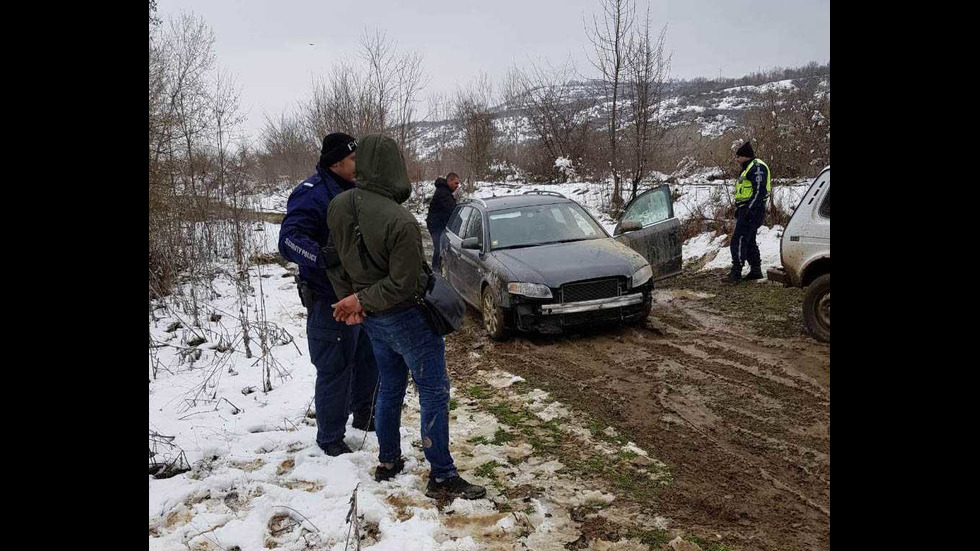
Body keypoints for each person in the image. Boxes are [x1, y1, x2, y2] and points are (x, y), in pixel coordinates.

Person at [325, 134, 486, 500]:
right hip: (406, 317)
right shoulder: (400, 220)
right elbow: (405, 283)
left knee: (391, 386)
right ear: (395, 167)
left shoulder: (338, 206)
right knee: (433, 388)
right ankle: (442, 475)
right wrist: (356, 301)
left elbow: (331, 260)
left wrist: (353, 301)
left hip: (373, 320)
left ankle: (388, 461)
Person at [278, 132, 379, 457]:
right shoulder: (312, 195)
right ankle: (331, 437)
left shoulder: (358, 191)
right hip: (329, 300)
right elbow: (288, 240)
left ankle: (366, 416)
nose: (359, 164)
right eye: (354, 159)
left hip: (362, 297)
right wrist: (320, 257)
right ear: (337, 162)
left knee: (368, 360)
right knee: (335, 368)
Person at [727, 140, 771, 283]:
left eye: (738, 156)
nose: (736, 159)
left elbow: (759, 191)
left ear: (745, 156)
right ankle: (756, 270)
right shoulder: (748, 167)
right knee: (749, 240)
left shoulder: (757, 167)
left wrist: (749, 210)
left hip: (752, 210)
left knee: (738, 240)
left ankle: (736, 271)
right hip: (746, 209)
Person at [424, 173, 460, 272]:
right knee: (439, 247)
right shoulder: (443, 193)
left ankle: (439, 268)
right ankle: (436, 270)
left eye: (458, 184)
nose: (457, 186)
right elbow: (452, 210)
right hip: (436, 226)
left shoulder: (445, 191)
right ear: (449, 181)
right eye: (455, 183)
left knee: (442, 246)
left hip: (439, 224)